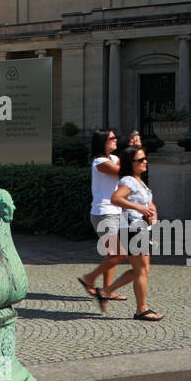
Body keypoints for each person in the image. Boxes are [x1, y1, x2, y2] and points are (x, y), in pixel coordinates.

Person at [101, 145, 163, 320]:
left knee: (141, 271)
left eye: (145, 158)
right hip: (133, 229)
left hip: (140, 228)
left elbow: (150, 205)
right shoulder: (128, 180)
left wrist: (153, 214)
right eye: (140, 160)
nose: (145, 162)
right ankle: (141, 309)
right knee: (141, 271)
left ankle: (106, 291)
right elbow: (116, 198)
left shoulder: (138, 181)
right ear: (131, 163)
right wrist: (140, 208)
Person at [78, 128, 128, 304]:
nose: (116, 140)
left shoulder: (113, 159)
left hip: (115, 212)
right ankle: (89, 278)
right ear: (102, 142)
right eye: (112, 138)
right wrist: (133, 151)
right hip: (103, 213)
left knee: (112, 254)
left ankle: (107, 290)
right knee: (119, 253)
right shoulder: (99, 162)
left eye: (115, 137)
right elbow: (124, 172)